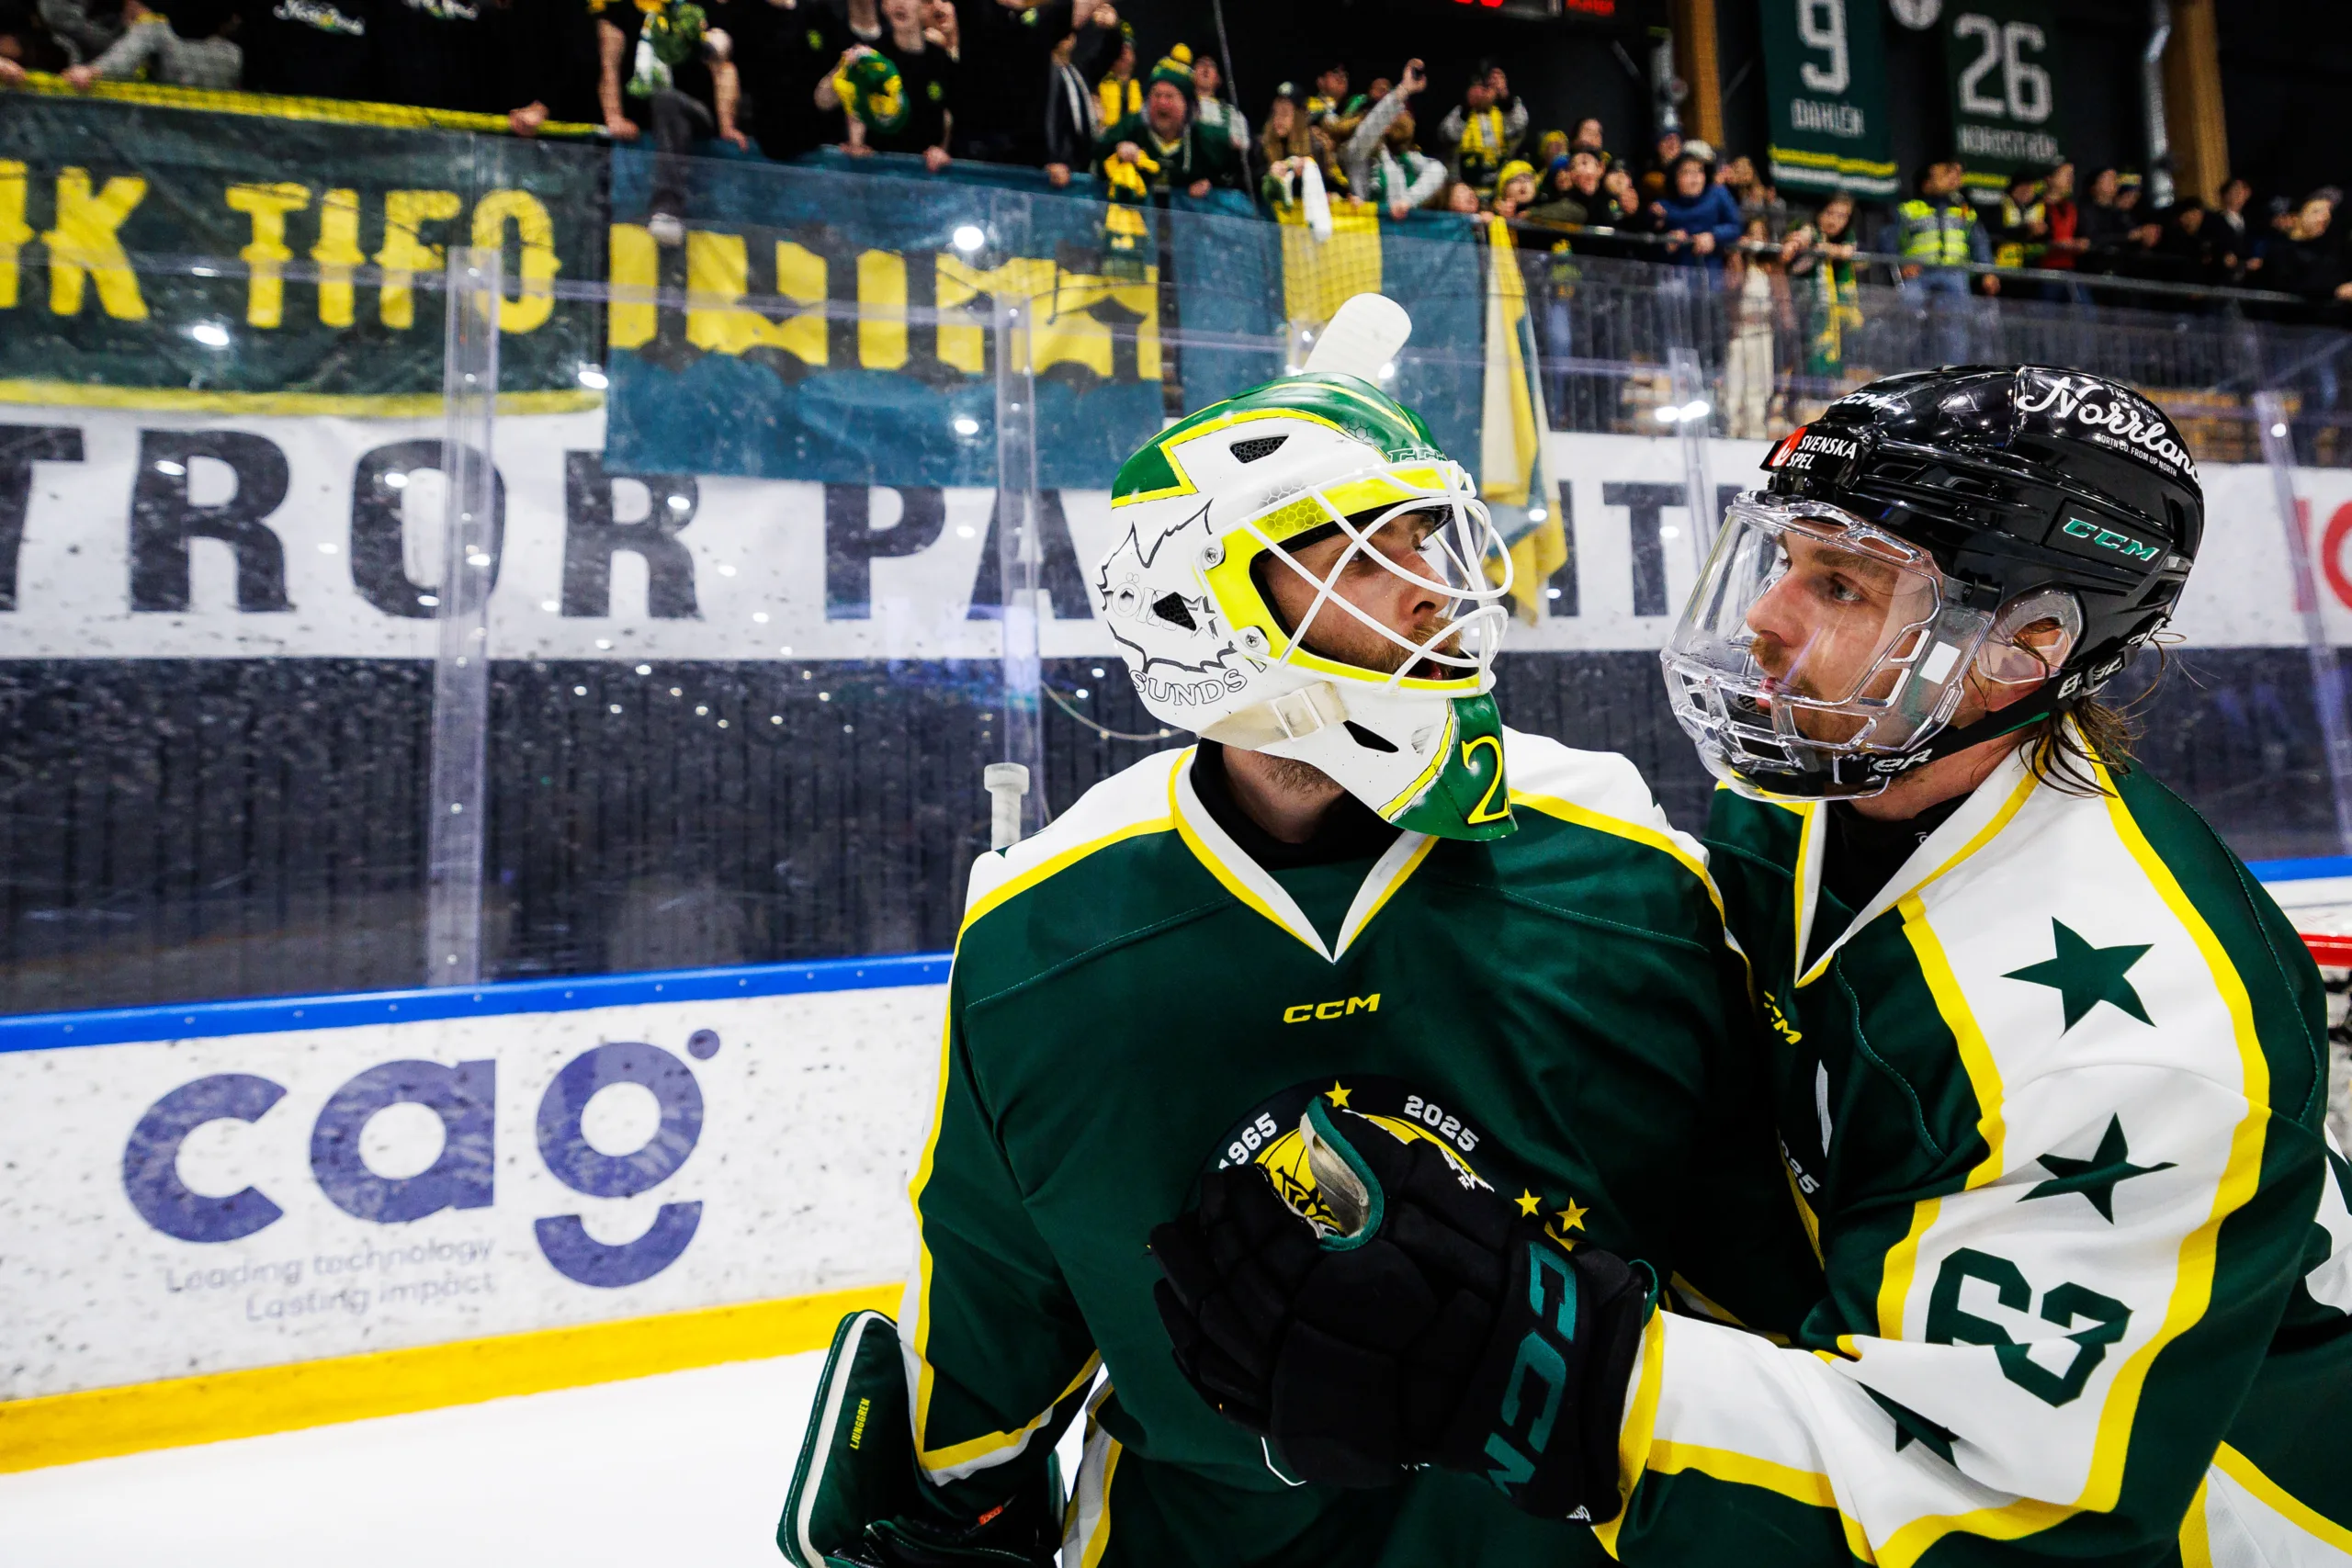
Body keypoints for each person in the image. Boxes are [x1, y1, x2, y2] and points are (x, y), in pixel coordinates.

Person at [1153, 363, 2352, 1566]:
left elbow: (2006, 1506)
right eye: (1782, 558)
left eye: (1841, 582)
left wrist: (1549, 1364)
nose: (1766, 618)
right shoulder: (1810, 792)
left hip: (2229, 1516)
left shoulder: (2128, 1047)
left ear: (2023, 646)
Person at [783, 291, 1816, 1568]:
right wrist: (947, 1500)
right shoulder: (1040, 933)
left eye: (1427, 540)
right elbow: (999, 1286)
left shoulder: (1623, 866)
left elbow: (1746, 1252)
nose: (1433, 591)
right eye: (1363, 556)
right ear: (1202, 610)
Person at [817, 0, 955, 170]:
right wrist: (842, 68)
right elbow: (823, 101)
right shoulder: (871, 56)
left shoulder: (941, 60)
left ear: (923, 6)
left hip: (924, 172)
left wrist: (942, 149)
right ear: (884, 6)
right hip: (876, 169)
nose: (900, 3)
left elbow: (950, 115)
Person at [1096, 46, 1237, 202]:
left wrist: (1211, 183)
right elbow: (1097, 157)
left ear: (1187, 105)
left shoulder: (1203, 137)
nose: (1162, 103)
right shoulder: (1131, 127)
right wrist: (1116, 151)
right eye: (1157, 95)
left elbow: (1234, 172)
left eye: (1170, 96)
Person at [1896, 158, 1992, 364]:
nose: (1953, 178)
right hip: (1919, 275)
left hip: (1955, 274)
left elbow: (1980, 242)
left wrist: (1988, 272)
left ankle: (1953, 370)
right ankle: (1907, 368)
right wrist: (1902, 264)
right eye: (1945, 174)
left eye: (1956, 175)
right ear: (1927, 183)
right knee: (1909, 311)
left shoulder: (1965, 211)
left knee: (1956, 322)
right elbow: (1889, 239)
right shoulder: (1909, 209)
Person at [1339, 58, 1442, 220]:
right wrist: (1403, 90)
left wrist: (1407, 201)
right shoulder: (1355, 154)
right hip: (1370, 230)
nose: (1390, 120)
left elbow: (1438, 170)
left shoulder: (1401, 156)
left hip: (1401, 231)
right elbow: (1370, 129)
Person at [1781, 192, 1860, 396]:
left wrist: (1828, 249)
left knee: (1829, 366)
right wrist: (1795, 243)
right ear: (1819, 212)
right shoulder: (1809, 229)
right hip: (1804, 311)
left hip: (1834, 317)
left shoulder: (1846, 237)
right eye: (1830, 213)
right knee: (1801, 363)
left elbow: (1849, 251)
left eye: (1842, 216)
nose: (1835, 221)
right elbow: (1801, 238)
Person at [62, 0, 237, 87]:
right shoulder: (234, 55)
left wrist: (92, 72)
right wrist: (93, 72)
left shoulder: (232, 54)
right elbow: (124, 58)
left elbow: (123, 60)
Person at [1719, 214, 1786, 438]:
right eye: (1752, 233)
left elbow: (1781, 299)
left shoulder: (1771, 266)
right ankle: (1729, 428)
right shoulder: (1736, 261)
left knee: (1759, 384)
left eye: (1761, 234)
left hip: (1763, 330)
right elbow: (1731, 287)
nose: (1756, 239)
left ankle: (1754, 431)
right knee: (1734, 381)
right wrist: (1739, 254)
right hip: (1739, 331)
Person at [1438, 62, 1524, 203]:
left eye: (1489, 88)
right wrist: (1467, 108)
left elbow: (1520, 125)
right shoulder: (1461, 113)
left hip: (1499, 191)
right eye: (1479, 87)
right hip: (1464, 190)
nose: (1484, 92)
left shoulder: (1504, 114)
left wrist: (1506, 98)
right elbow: (1448, 134)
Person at [1651, 150, 1740, 277]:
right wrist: (1667, 242)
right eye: (1687, 172)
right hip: (1675, 275)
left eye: (1699, 171)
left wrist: (1713, 236)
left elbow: (1736, 226)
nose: (1695, 178)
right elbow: (1648, 243)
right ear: (1675, 178)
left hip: (1711, 273)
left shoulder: (1718, 194)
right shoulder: (1663, 207)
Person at [1190, 51, 1248, 160]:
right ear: (1192, 74)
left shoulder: (1232, 114)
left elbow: (1243, 149)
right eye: (1201, 63)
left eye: (1211, 65)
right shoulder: (1183, 107)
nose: (1206, 68)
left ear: (1218, 78)